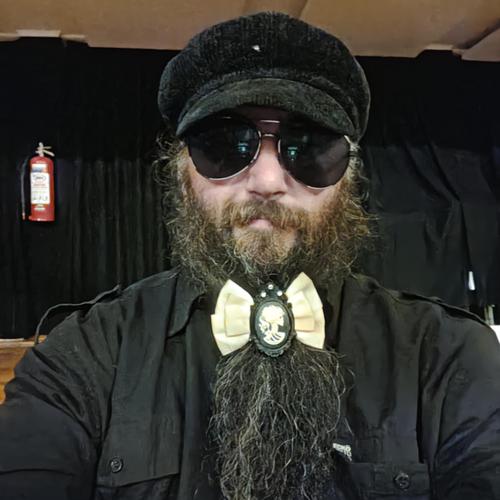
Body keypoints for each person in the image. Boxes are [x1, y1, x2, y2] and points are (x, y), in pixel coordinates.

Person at [1, 11, 500, 500]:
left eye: (308, 147)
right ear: (181, 171)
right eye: (224, 145)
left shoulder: (448, 355)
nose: (266, 181)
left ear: (348, 177)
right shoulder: (82, 356)